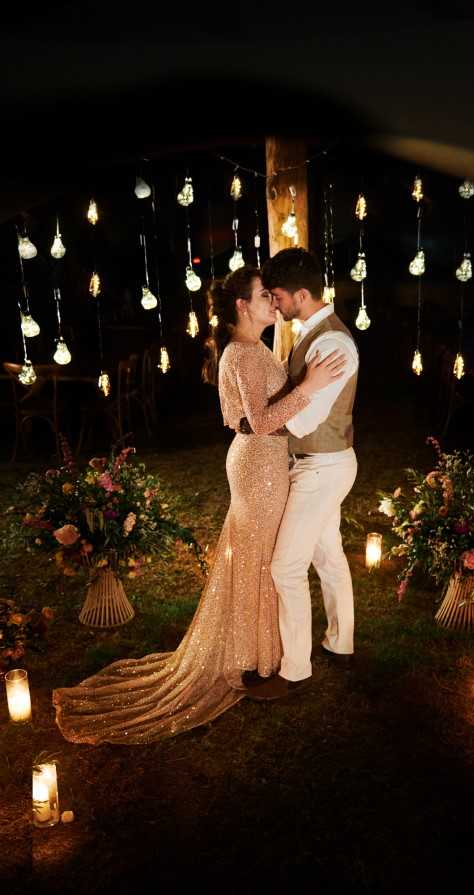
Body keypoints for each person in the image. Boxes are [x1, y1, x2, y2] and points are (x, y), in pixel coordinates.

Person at [52, 266, 345, 744]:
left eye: (275, 295)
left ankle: (260, 651)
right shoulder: (241, 354)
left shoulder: (256, 349)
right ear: (242, 306)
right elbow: (264, 420)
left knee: (261, 557)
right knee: (259, 557)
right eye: (264, 296)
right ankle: (250, 655)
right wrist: (308, 387)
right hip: (258, 467)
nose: (274, 303)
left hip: (266, 463)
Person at [245, 247, 359, 702]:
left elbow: (301, 423)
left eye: (277, 297)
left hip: (322, 467)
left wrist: (291, 399)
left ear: (302, 294)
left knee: (286, 566)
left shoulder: (331, 344)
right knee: (328, 556)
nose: (274, 305)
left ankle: (294, 671)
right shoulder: (312, 334)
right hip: (323, 463)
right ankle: (340, 640)